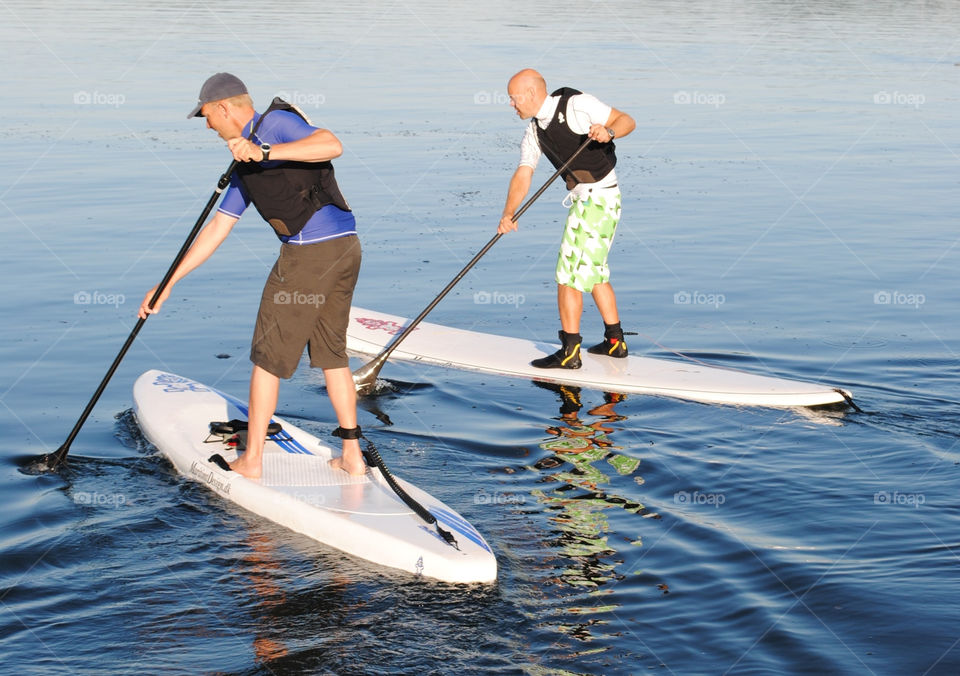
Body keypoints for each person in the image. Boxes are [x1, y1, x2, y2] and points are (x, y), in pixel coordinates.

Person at [138, 72, 365, 479]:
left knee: (266, 357)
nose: (207, 124)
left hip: (309, 255)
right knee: (332, 355)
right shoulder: (243, 163)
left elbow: (332, 144)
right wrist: (168, 283)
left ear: (224, 108)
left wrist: (262, 151)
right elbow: (217, 229)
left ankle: (252, 460)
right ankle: (352, 456)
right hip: (345, 249)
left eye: (206, 115)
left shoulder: (273, 125)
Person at [498, 68, 635, 369]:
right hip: (586, 201)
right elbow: (524, 173)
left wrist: (609, 131)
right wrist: (509, 212)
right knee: (595, 272)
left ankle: (570, 351)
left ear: (531, 93)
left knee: (567, 274)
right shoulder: (534, 131)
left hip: (599, 200)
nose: (511, 104)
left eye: (514, 98)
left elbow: (626, 120)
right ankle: (615, 342)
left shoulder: (576, 105)